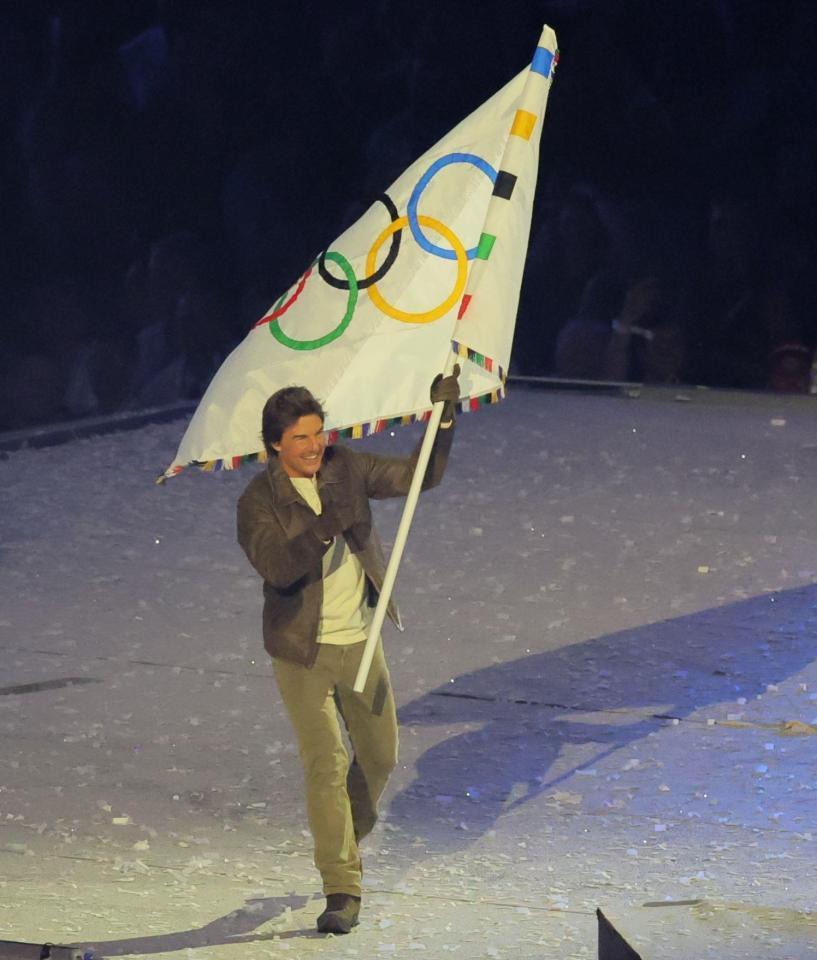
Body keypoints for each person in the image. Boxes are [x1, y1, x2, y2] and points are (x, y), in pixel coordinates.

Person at [236, 367, 460, 934]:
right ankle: (341, 887)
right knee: (327, 764)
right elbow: (278, 568)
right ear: (274, 447)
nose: (314, 447)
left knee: (380, 757)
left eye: (318, 434)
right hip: (301, 653)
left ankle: (341, 836)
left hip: (361, 641)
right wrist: (324, 527)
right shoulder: (257, 501)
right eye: (300, 439)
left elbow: (418, 478)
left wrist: (445, 419)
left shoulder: (347, 467)